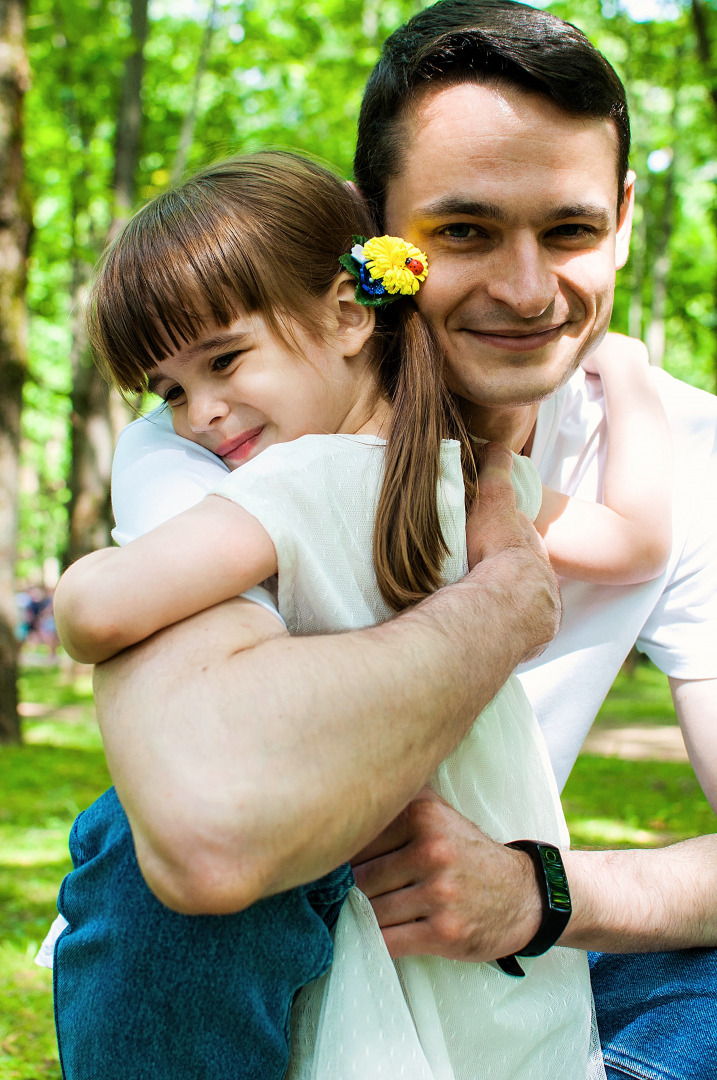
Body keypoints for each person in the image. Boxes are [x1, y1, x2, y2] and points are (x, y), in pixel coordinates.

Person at [63, 3, 717, 1079]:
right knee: (142, 852)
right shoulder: (224, 436)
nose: (522, 289)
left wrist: (539, 891)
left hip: (497, 956)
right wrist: (499, 607)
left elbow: (638, 537)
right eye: (462, 231)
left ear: (627, 218)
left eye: (568, 230)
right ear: (377, 239)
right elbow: (205, 831)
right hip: (299, 935)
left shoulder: (633, 453)